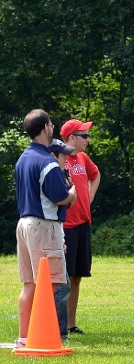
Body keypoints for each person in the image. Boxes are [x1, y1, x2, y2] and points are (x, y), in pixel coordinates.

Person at [14, 110, 76, 349]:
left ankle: (24, 337)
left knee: (29, 283)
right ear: (44, 128)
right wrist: (72, 194)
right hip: (43, 225)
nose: (53, 127)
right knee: (48, 284)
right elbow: (60, 197)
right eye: (51, 124)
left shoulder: (23, 159)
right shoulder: (47, 161)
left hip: (24, 224)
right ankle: (41, 337)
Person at [58, 118, 101, 337]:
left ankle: (71, 324)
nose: (88, 139)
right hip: (65, 226)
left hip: (83, 222)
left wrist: (90, 195)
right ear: (71, 138)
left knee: (76, 277)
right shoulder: (58, 158)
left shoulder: (83, 158)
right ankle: (59, 323)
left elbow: (96, 175)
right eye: (84, 135)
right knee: (62, 277)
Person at [47, 138, 76, 341]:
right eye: (63, 154)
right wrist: (71, 193)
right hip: (49, 230)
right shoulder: (53, 172)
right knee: (61, 284)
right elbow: (61, 201)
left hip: (56, 231)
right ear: (53, 155)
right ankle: (59, 334)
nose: (67, 158)